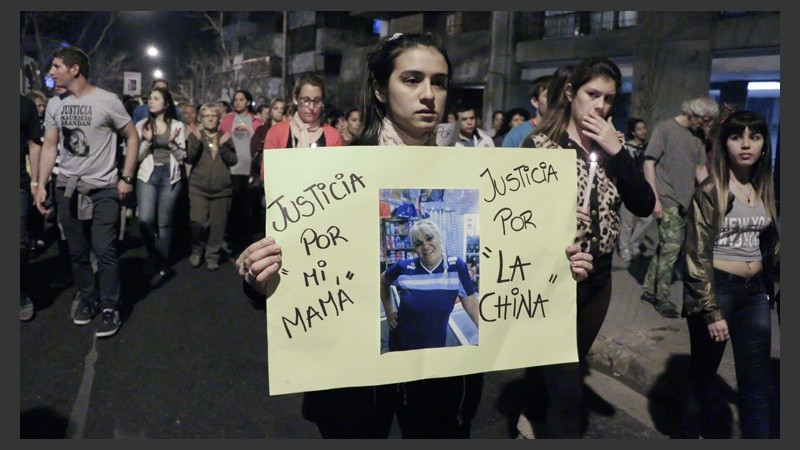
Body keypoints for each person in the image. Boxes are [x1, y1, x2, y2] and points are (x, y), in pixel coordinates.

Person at [237, 32, 594, 439]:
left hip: (441, 389)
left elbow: (508, 284)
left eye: (439, 82)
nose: (429, 94)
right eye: (412, 79)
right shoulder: (331, 173)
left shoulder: (480, 173)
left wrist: (557, 266)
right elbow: (301, 281)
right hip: (354, 390)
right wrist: (259, 276)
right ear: (380, 89)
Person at [520, 56, 655, 438]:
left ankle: (534, 411)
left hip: (599, 278)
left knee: (570, 365)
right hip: (555, 277)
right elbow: (516, 219)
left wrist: (619, 153)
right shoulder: (541, 145)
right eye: (592, 94)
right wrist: (555, 218)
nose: (600, 106)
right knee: (567, 391)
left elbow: (643, 204)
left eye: (609, 99)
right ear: (570, 93)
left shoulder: (615, 148)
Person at [681, 110, 779, 439]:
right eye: (737, 137)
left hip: (755, 295)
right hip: (717, 290)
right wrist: (710, 309)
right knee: (703, 380)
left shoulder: (766, 188)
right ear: (725, 144)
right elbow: (695, 254)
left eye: (754, 136)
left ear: (765, 144)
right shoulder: (712, 190)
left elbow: (771, 244)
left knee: (756, 387)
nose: (746, 144)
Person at [35, 46, 139, 338]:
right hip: (67, 186)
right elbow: (50, 146)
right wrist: (41, 184)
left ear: (74, 69)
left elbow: (132, 137)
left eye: (56, 67)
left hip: (104, 187)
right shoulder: (56, 104)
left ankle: (109, 306)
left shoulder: (108, 101)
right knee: (77, 251)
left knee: (104, 249)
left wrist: (126, 177)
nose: (51, 72)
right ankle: (88, 297)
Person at [641, 96, 718, 318]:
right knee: (672, 251)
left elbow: (700, 170)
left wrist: (711, 198)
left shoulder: (697, 137)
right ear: (691, 113)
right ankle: (662, 299)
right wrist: (654, 199)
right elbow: (648, 163)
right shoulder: (665, 128)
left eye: (710, 121)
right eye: (704, 120)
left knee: (665, 248)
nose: (707, 126)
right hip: (667, 199)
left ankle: (648, 290)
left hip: (687, 201)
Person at [381, 219, 480, 352]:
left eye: (429, 238)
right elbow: (382, 281)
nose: (425, 246)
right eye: (418, 243)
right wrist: (389, 311)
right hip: (401, 345)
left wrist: (490, 337)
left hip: (434, 347)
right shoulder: (404, 268)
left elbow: (473, 305)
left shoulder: (456, 268)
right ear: (415, 248)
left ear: (439, 237)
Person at [134, 87, 186, 284]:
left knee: (164, 223)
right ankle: (151, 254)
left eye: (156, 99)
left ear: (166, 104)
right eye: (150, 99)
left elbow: (182, 157)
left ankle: (162, 261)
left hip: (169, 177)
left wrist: (172, 144)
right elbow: (137, 157)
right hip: (148, 175)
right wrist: (147, 142)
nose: (151, 101)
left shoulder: (177, 126)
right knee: (145, 219)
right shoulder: (142, 125)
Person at [185, 103, 238, 270]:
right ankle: (197, 248)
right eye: (206, 115)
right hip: (198, 187)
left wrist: (223, 147)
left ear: (218, 119)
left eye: (213, 116)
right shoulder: (196, 135)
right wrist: (197, 142)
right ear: (201, 118)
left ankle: (212, 255)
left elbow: (233, 160)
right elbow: (189, 158)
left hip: (222, 189)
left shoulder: (225, 136)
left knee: (218, 226)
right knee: (198, 221)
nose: (210, 118)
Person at [220, 89, 264, 255]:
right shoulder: (227, 119)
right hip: (231, 168)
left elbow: (260, 146)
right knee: (234, 206)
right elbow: (220, 140)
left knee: (249, 208)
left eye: (241, 99)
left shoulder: (256, 121)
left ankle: (247, 242)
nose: (238, 102)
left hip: (250, 170)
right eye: (236, 100)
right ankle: (233, 241)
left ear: (248, 102)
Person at [264, 74, 344, 150]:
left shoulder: (334, 136)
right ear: (295, 99)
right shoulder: (276, 132)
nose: (311, 107)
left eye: (317, 101)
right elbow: (268, 164)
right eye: (306, 100)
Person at [616, 117, 654, 261]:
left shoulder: (647, 147)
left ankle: (634, 243)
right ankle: (624, 248)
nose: (643, 131)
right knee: (626, 222)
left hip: (642, 187)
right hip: (628, 188)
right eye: (639, 129)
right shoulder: (627, 147)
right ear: (633, 132)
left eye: (644, 128)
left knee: (647, 219)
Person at [21, 94, 43, 321]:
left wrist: (36, 181)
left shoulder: (24, 105)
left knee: (19, 243)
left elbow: (35, 145)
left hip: (18, 181)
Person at [502, 75, 551, 148]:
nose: (556, 100)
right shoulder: (517, 134)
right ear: (535, 102)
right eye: (549, 96)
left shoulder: (568, 131)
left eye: (558, 96)